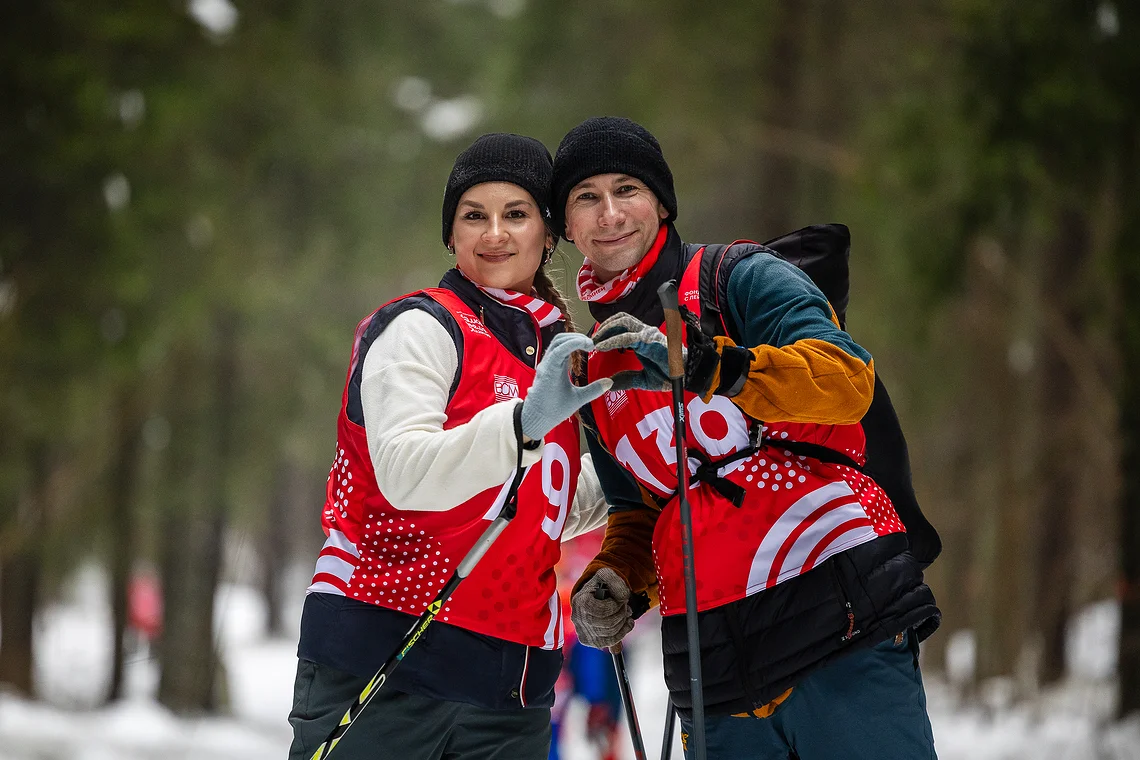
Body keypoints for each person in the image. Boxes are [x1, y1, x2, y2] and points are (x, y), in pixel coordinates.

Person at [557, 117, 942, 760]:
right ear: (567, 227)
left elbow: (847, 380)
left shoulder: (732, 277)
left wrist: (719, 368)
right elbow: (635, 513)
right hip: (716, 674)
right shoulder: (598, 370)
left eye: (628, 189)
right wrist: (616, 577)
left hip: (836, 622)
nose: (610, 213)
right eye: (586, 198)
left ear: (662, 203)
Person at [288, 133, 616, 760]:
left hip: (511, 686)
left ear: (549, 234)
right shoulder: (421, 326)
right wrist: (522, 422)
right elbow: (405, 471)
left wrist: (650, 469)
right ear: (451, 236)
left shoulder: (555, 355)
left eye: (516, 214)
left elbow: (545, 505)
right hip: (389, 656)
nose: (495, 233)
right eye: (475, 216)